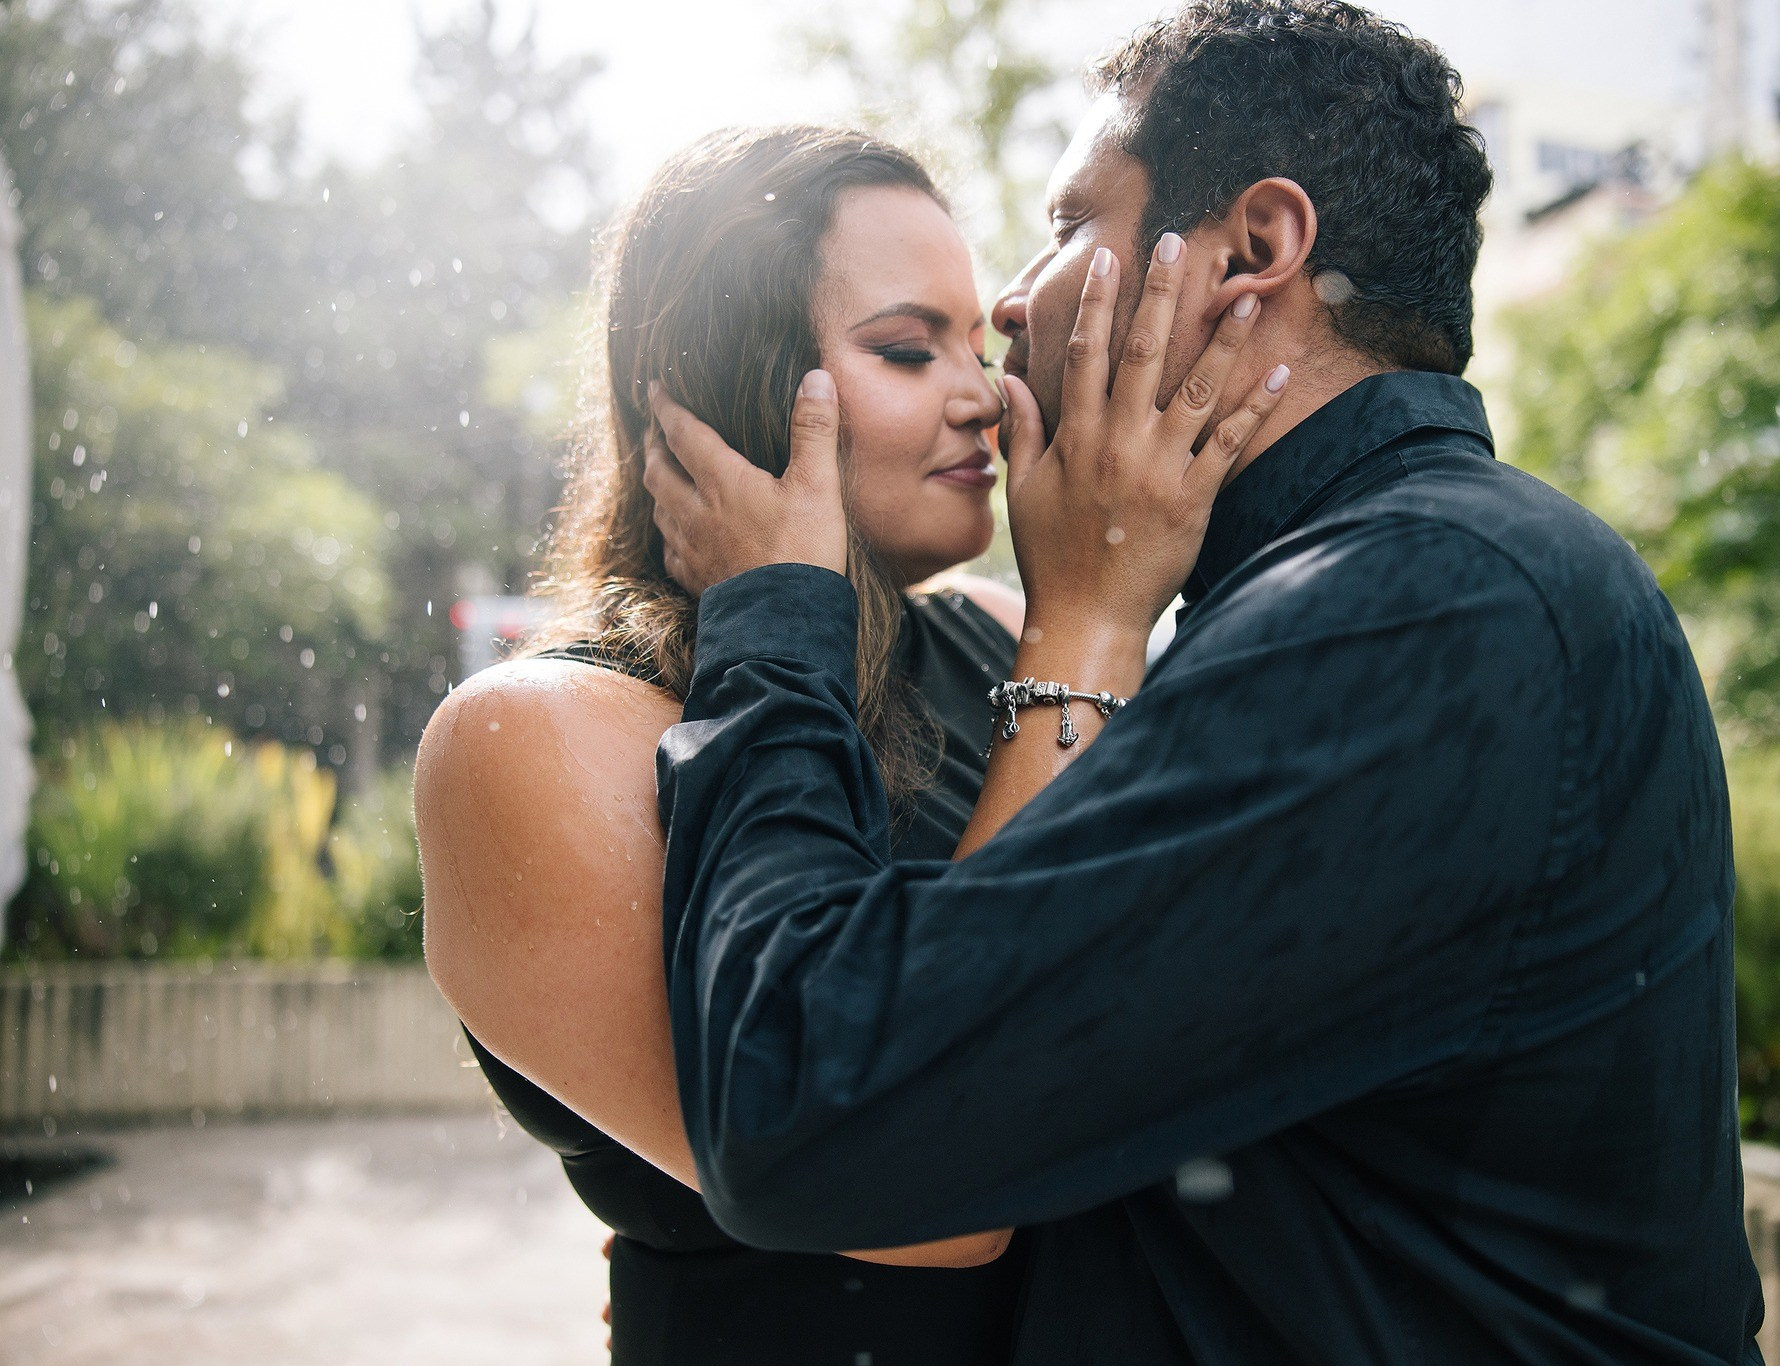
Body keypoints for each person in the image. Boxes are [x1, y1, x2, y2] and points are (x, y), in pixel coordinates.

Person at [637, 3, 1768, 1364]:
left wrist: (771, 620)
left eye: (1069, 223)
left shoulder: (1417, 616)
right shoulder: (1390, 592)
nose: (1012, 301)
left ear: (1251, 251)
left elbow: (810, 1111)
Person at [415, 121, 1288, 1362]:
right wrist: (1091, 620)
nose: (985, 392)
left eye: (976, 348)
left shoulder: (1003, 637)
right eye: (903, 348)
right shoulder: (534, 739)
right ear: (732, 385)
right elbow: (927, 1192)